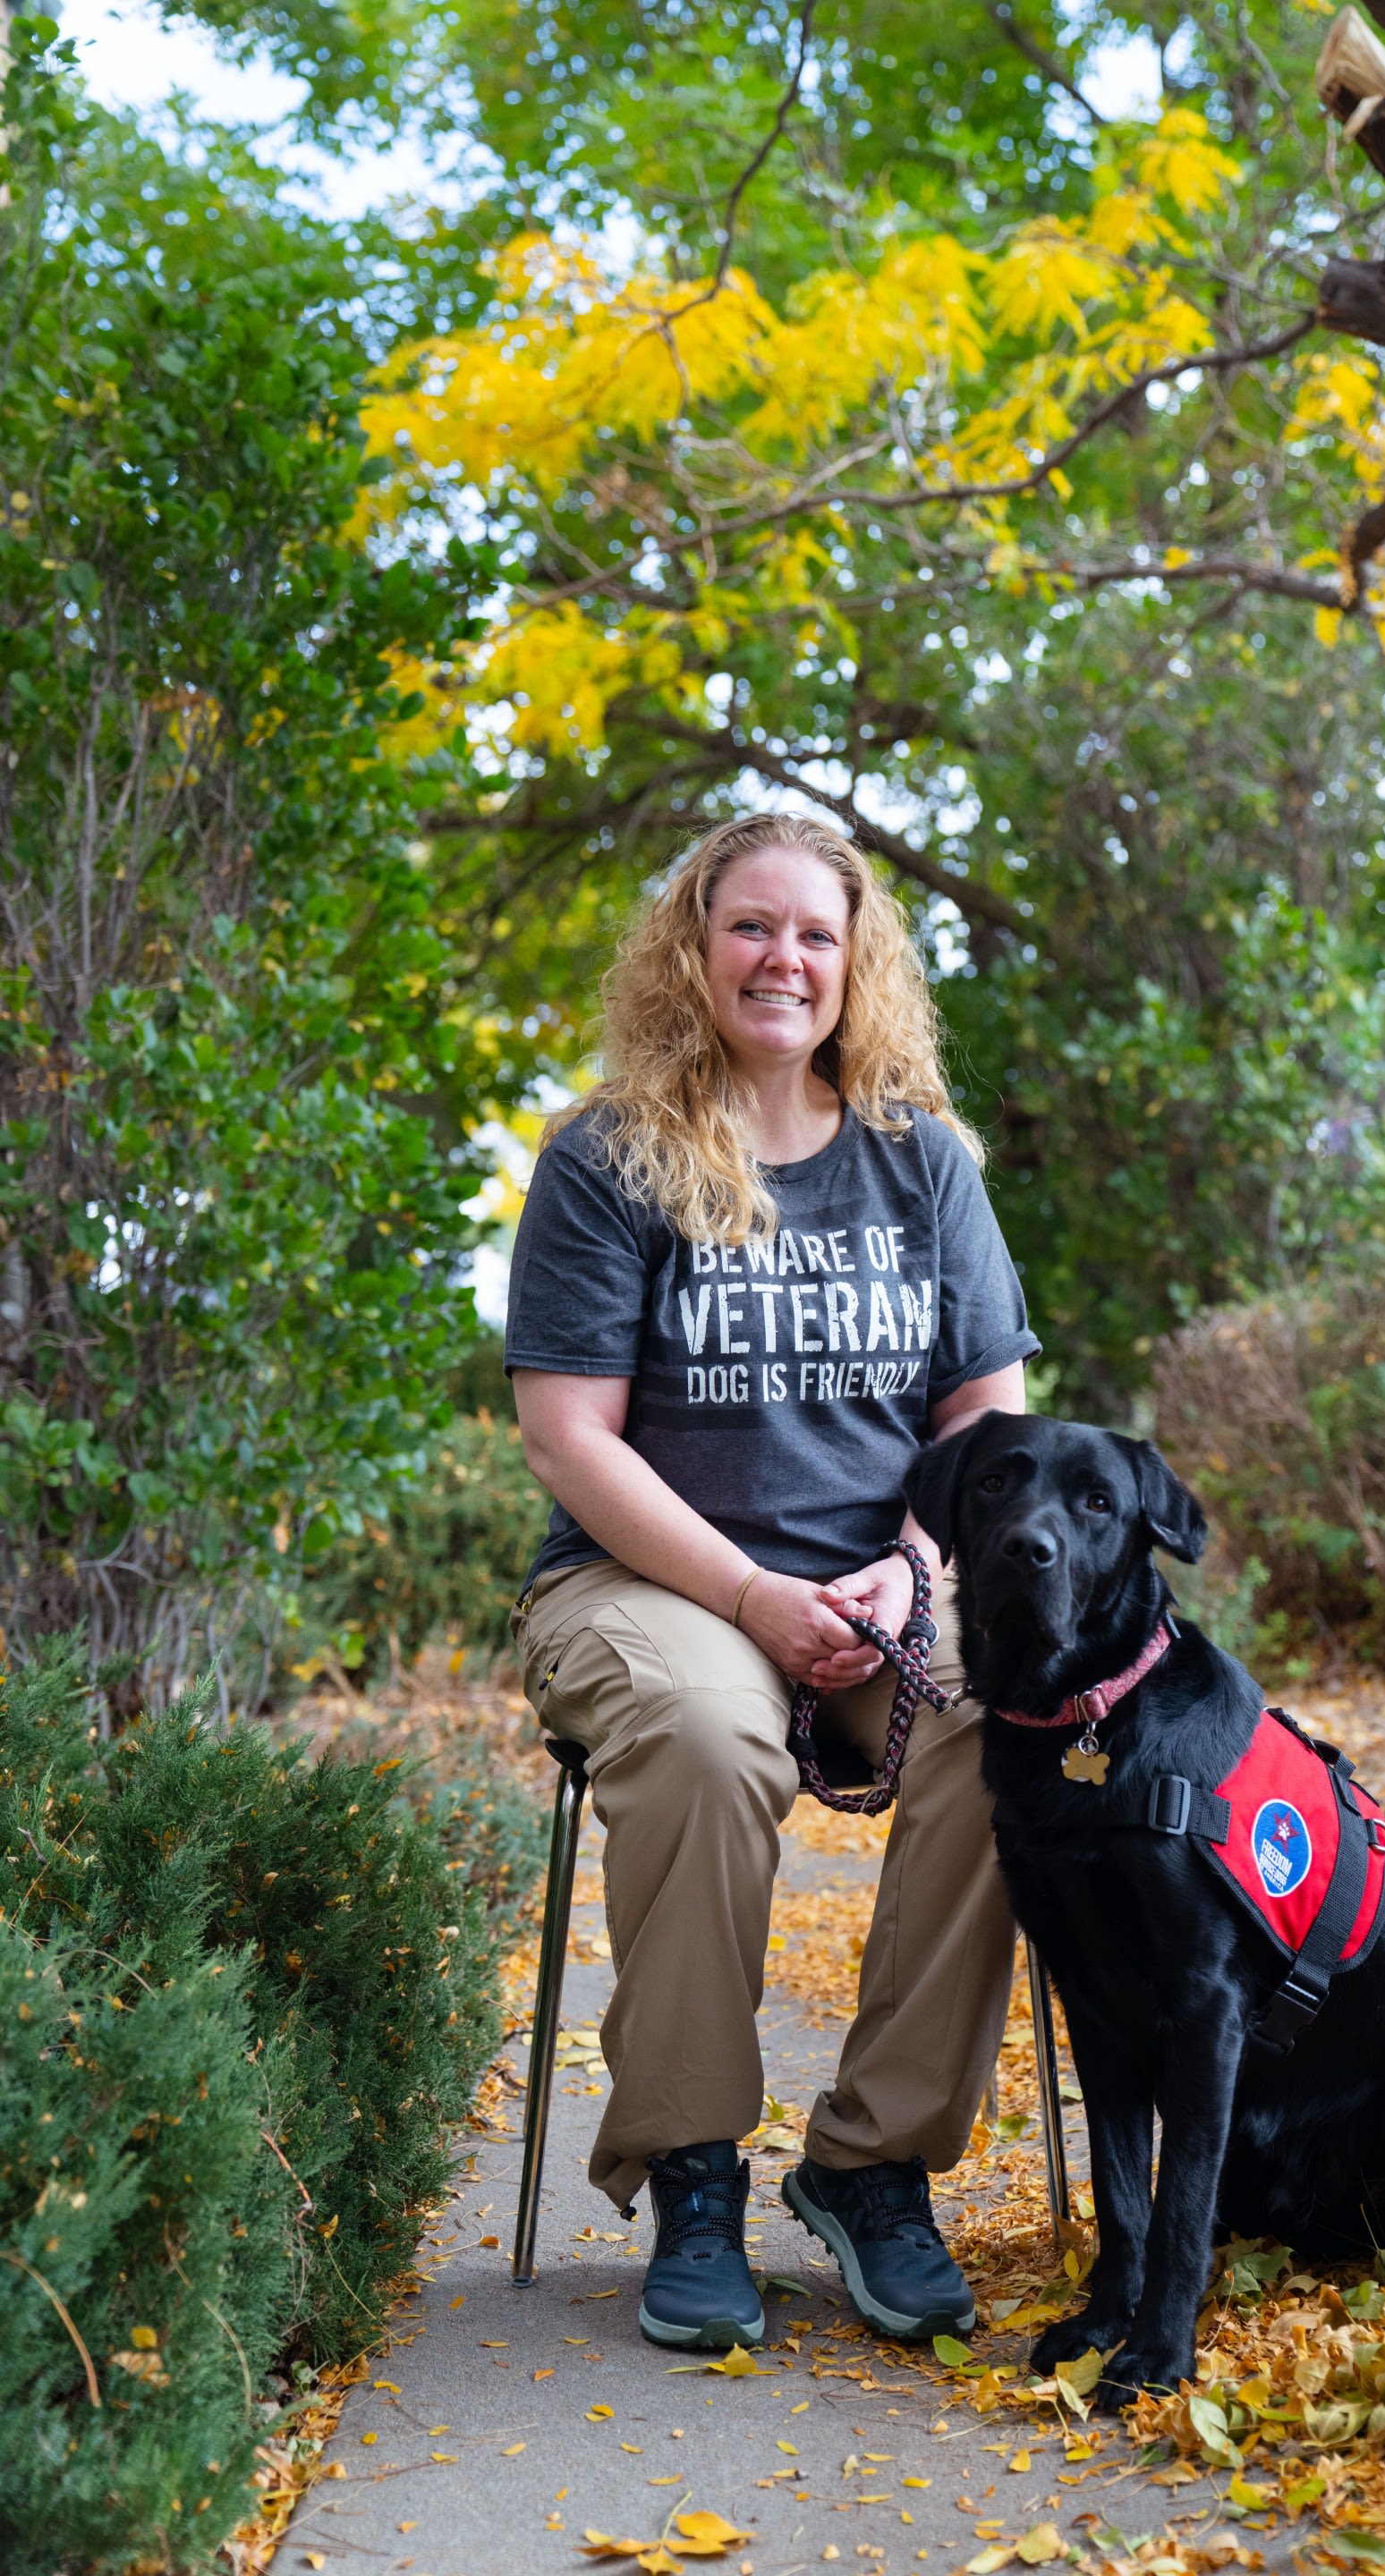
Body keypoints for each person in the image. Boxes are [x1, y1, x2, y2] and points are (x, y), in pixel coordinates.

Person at [506, 809, 1040, 2353]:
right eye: (751, 926)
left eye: (816, 933)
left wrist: (915, 1570)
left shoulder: (919, 1161)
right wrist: (749, 1596)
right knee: (705, 1731)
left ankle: (874, 2168)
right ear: (694, 946)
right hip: (648, 1582)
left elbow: (983, 1420)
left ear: (857, 960)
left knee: (1002, 1723)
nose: (783, 959)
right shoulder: (609, 1160)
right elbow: (569, 1436)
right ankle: (690, 2172)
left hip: (886, 1582)